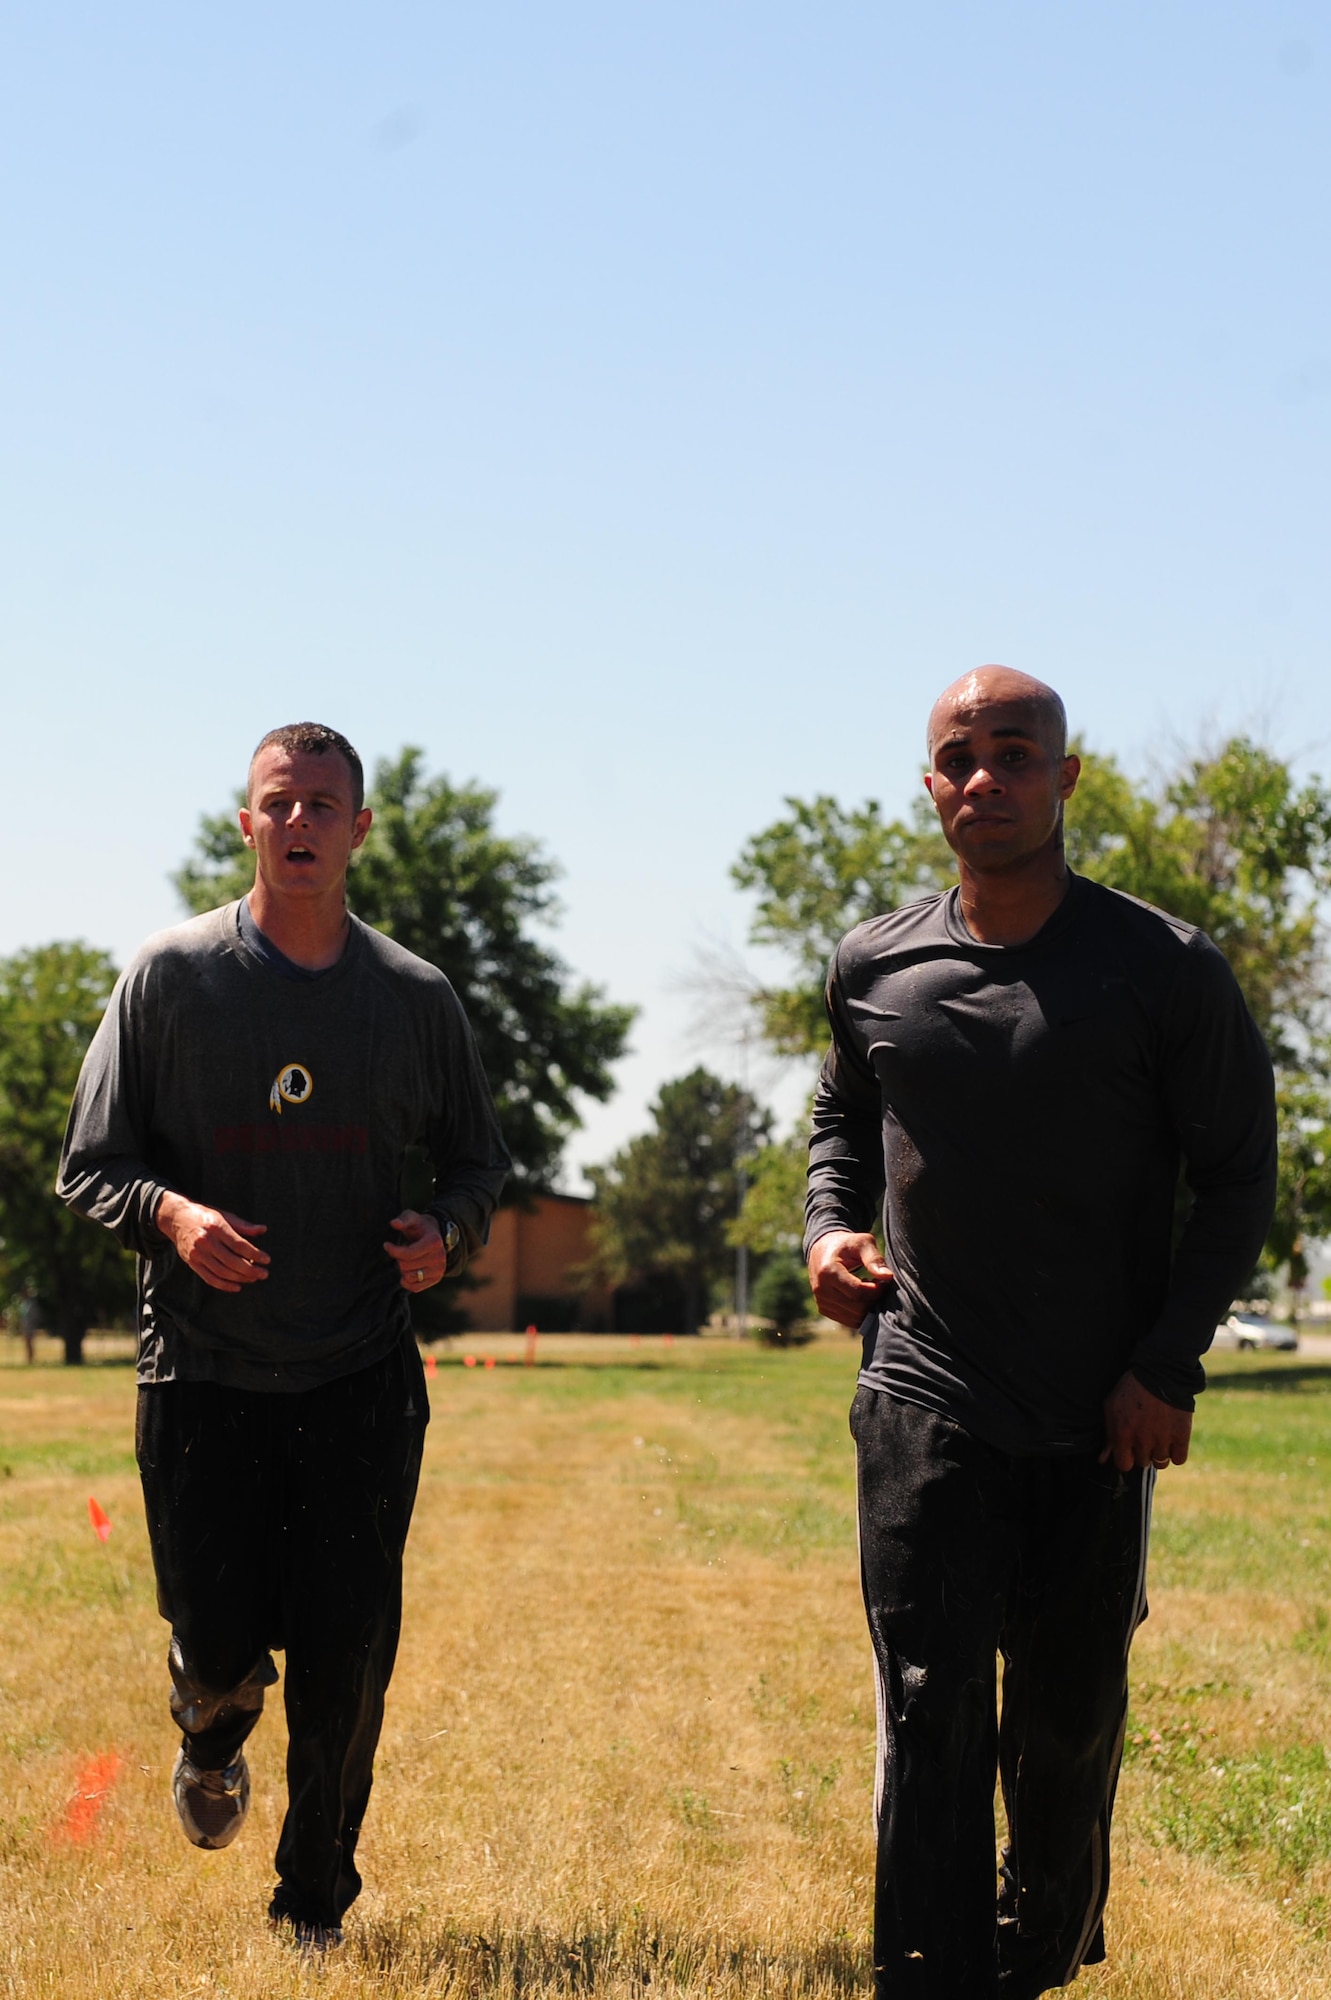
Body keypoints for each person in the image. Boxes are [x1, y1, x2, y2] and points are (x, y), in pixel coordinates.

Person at [805, 669, 1277, 2000]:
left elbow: (1238, 1173)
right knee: (927, 1702)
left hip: (1094, 1419)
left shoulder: (1158, 971)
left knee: (1063, 1725)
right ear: (928, 783)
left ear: (1065, 779)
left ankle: (1040, 1948)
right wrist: (826, 1233)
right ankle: (929, 1973)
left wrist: (1162, 1365)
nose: (984, 781)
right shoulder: (873, 963)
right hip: (919, 1396)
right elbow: (840, 1121)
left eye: (1014, 757)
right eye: (958, 758)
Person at [58, 721, 509, 1950]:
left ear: (360, 827)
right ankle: (208, 1716)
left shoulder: (415, 998)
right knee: (219, 1647)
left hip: (359, 1374)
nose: (300, 821)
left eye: (323, 803)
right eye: (278, 801)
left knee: (347, 1656)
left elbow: (479, 1161)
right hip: (201, 1373)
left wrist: (445, 1229)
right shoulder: (170, 977)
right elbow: (90, 1164)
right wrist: (173, 1211)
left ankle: (312, 1900)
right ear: (245, 821)